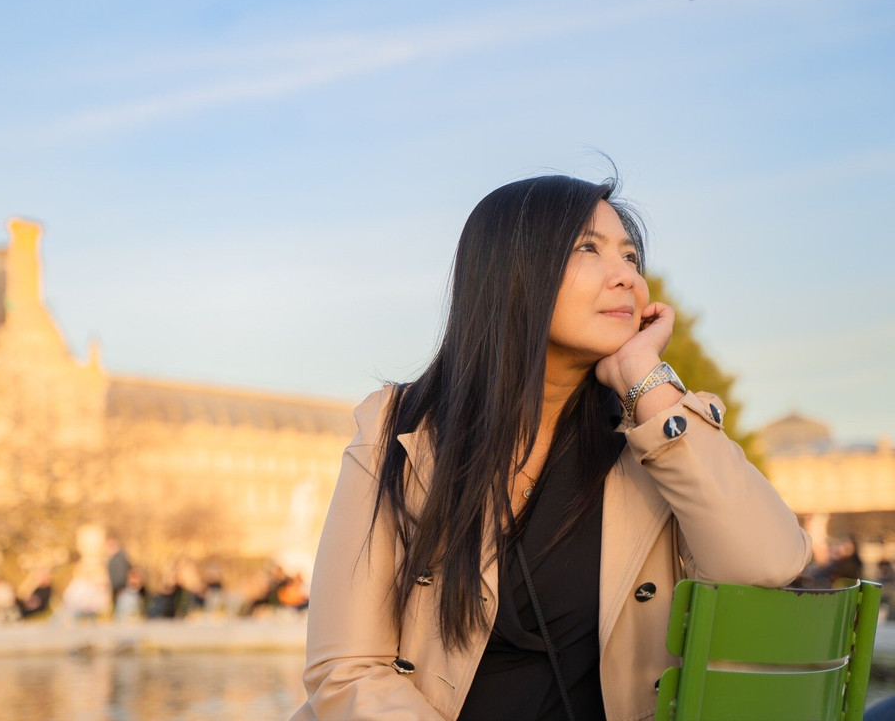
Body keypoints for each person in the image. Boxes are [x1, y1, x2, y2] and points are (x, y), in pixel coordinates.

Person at [293, 175, 811, 721]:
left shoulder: (660, 436)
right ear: (513, 273)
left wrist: (645, 378)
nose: (629, 278)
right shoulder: (397, 428)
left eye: (632, 257)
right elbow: (346, 671)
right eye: (588, 247)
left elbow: (769, 563)